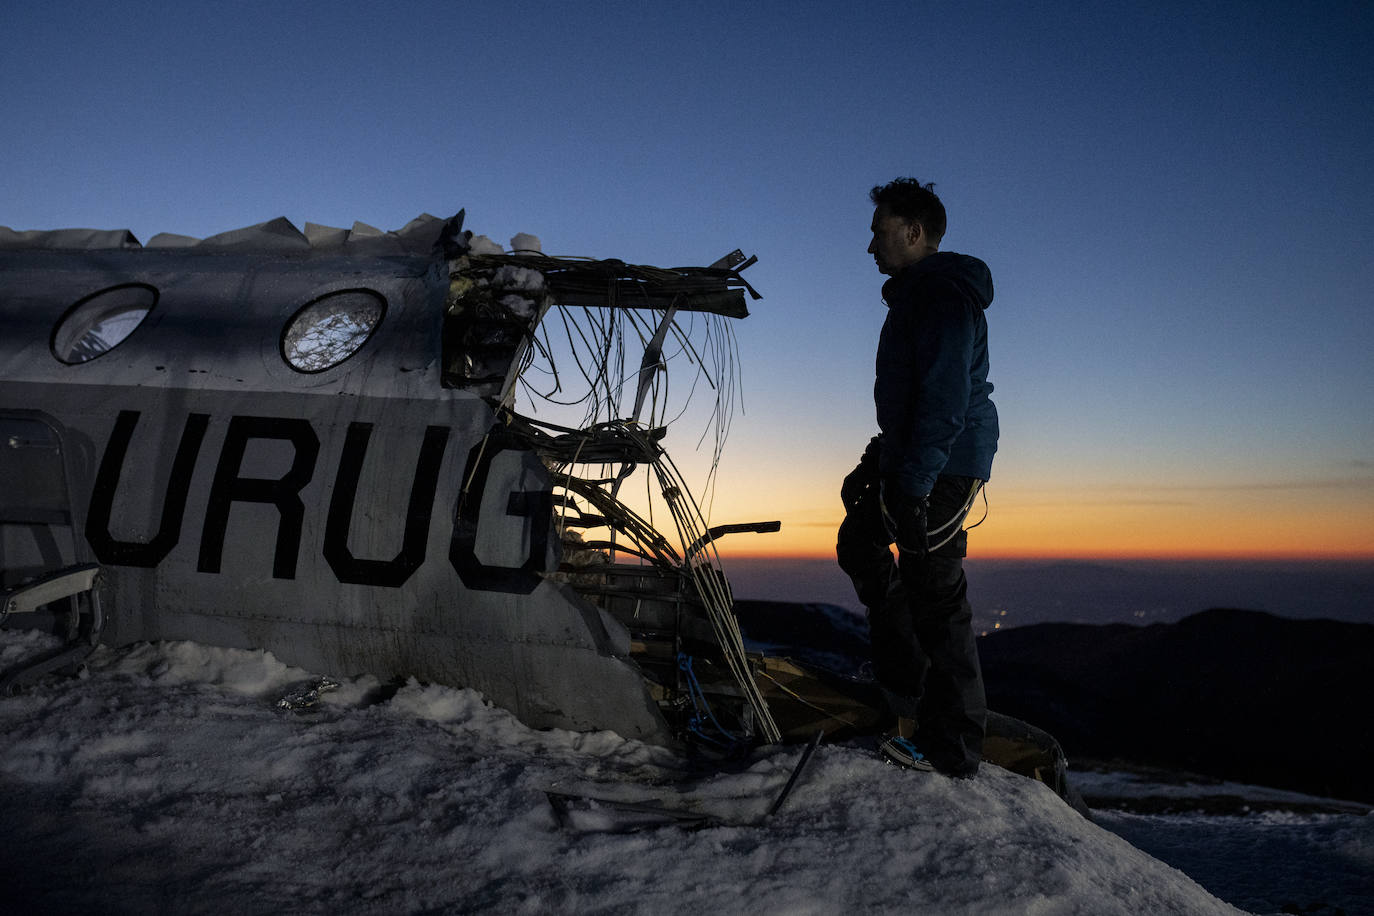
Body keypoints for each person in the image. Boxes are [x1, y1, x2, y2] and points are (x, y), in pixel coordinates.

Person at [837, 178, 998, 777]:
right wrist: (878, 461)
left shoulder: (941, 297)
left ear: (914, 232)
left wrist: (912, 483)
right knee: (861, 543)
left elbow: (944, 404)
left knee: (934, 587)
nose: (870, 246)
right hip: (918, 456)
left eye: (878, 232)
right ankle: (906, 685)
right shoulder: (917, 296)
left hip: (945, 462)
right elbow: (913, 402)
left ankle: (950, 747)